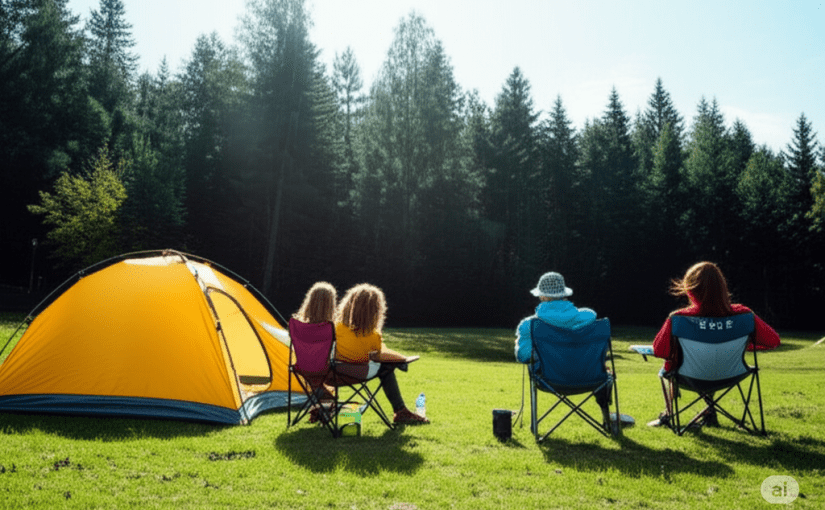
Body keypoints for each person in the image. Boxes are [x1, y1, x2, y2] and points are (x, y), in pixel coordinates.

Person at [647, 261, 781, 427]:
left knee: (669, 367)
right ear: (722, 287)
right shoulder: (744, 315)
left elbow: (660, 351)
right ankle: (709, 412)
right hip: (731, 375)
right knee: (711, 364)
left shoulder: (679, 319)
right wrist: (742, 345)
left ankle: (669, 415)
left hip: (688, 377)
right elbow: (773, 341)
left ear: (691, 289)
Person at [514, 272, 611, 412]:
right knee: (603, 368)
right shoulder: (588, 320)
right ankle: (607, 415)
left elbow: (523, 357)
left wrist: (519, 344)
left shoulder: (529, 325)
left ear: (542, 296)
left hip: (549, 380)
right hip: (591, 379)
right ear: (564, 295)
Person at [335, 283, 429, 425]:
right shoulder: (372, 335)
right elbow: (379, 355)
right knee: (386, 367)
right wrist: (402, 359)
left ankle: (401, 410)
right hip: (359, 373)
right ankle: (400, 410)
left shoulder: (336, 328)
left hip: (335, 374)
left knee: (384, 364)